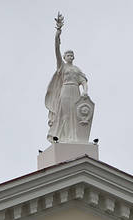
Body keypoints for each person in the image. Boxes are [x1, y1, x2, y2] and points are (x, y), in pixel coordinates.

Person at [45, 13, 89, 143]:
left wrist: (85, 91)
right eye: (67, 55)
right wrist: (58, 33)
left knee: (74, 114)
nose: (70, 56)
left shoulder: (77, 69)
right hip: (65, 90)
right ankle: (63, 136)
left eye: (71, 55)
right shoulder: (62, 67)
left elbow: (83, 81)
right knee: (65, 113)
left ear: (73, 57)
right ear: (64, 57)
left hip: (75, 90)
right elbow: (56, 49)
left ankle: (74, 137)